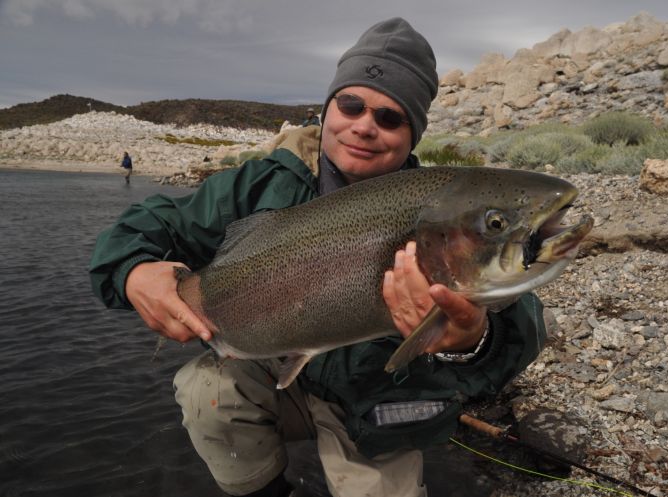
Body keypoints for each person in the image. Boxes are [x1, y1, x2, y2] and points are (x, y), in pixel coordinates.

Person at [90, 18, 546, 497]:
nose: (365, 126)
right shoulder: (258, 185)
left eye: (391, 118)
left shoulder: (444, 211)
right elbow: (140, 229)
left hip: (376, 406)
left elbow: (522, 331)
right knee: (206, 391)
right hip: (270, 372)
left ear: (414, 135)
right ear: (328, 109)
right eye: (351, 105)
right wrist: (133, 273)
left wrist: (471, 339)